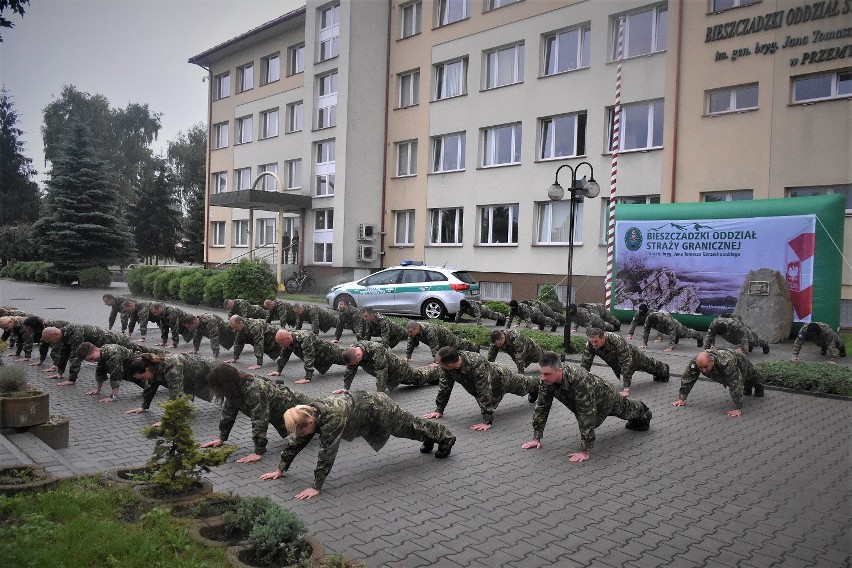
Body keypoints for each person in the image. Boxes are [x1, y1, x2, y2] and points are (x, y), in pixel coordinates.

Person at [260, 391, 456, 499]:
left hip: (379, 408)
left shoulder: (331, 417)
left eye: (301, 430)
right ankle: (430, 438)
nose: (300, 436)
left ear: (310, 422)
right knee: (408, 430)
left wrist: (316, 486)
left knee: (408, 427)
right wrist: (281, 468)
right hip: (366, 413)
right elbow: (297, 441)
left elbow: (327, 452)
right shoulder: (310, 413)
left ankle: (445, 436)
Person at [522, 351, 653, 462]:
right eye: (542, 373)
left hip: (606, 397)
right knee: (591, 420)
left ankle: (644, 412)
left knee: (625, 410)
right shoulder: (546, 381)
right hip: (586, 400)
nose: (543, 378)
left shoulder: (580, 380)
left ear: (559, 371)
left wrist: (585, 451)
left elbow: (586, 415)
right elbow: (542, 407)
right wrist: (536, 437)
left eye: (547, 374)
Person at [200, 363, 313, 463]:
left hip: (296, 405)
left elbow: (259, 419)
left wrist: (258, 452)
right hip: (280, 409)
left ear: (225, 383)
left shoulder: (253, 390)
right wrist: (221, 438)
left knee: (316, 423)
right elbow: (228, 412)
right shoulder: (234, 388)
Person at [424, 346, 538, 431]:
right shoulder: (446, 367)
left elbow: (484, 391)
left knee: (524, 386)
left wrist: (487, 421)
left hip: (501, 378)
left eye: (438, 362)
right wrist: (439, 410)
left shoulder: (476, 363)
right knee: (488, 403)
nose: (436, 364)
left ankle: (538, 384)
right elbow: (445, 387)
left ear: (449, 365)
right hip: (487, 382)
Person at [673, 349, 765, 417]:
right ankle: (748, 388)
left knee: (751, 377)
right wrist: (682, 398)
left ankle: (759, 387)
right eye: (701, 368)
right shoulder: (696, 362)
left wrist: (738, 408)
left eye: (706, 367)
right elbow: (688, 378)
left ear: (712, 361)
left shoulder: (727, 363)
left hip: (741, 361)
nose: (703, 371)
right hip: (726, 364)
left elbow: (735, 384)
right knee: (745, 386)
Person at [581, 328, 669, 397]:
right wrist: (581, 384)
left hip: (633, 356)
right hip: (616, 361)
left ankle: (664, 369)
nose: (594, 344)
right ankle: (660, 374)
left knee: (649, 365)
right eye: (592, 341)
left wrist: (626, 389)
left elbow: (626, 363)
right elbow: (585, 364)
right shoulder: (590, 344)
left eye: (596, 341)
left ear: (603, 338)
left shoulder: (616, 339)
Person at [39, 324, 138, 386]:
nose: (52, 344)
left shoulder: (75, 334)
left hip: (116, 340)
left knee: (137, 354)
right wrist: (60, 372)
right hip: (105, 343)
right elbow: (64, 353)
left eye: (51, 341)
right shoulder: (65, 334)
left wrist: (71, 380)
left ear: (55, 334)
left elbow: (75, 358)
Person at [126, 352, 217, 414]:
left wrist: (169, 417)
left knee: (228, 391)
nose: (143, 380)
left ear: (146, 369)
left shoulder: (170, 367)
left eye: (142, 377)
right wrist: (144, 407)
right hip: (197, 376)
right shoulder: (153, 367)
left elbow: (175, 392)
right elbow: (151, 387)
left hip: (211, 370)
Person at [340, 341, 441, 392]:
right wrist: (346, 388)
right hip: (391, 375)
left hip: (399, 370)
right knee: (418, 375)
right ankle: (433, 370)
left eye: (357, 362)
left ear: (358, 354)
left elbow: (381, 371)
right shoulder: (352, 351)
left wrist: (380, 394)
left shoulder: (375, 349)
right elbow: (351, 368)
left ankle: (440, 370)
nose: (357, 364)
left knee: (418, 378)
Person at [77, 341, 151, 402]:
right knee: (148, 387)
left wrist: (113, 397)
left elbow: (115, 375)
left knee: (153, 379)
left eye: (92, 358)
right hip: (128, 369)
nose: (93, 361)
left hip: (137, 365)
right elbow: (100, 373)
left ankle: (151, 387)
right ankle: (150, 388)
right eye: (89, 360)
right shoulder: (102, 355)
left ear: (95, 349)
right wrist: (97, 390)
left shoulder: (112, 353)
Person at [267, 328, 346, 384]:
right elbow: (284, 355)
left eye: (281, 343)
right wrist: (278, 371)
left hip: (330, 353)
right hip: (321, 357)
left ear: (288, 338)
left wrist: (308, 377)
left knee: (350, 359)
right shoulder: (289, 341)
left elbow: (309, 356)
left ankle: (357, 351)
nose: (281, 345)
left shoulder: (304, 338)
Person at [405, 320, 480, 360]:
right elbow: (410, 343)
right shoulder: (412, 332)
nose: (409, 334)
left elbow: (434, 346)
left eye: (411, 332)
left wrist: (436, 361)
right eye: (409, 332)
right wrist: (407, 357)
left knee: (460, 345)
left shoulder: (429, 330)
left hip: (447, 337)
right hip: (439, 340)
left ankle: (475, 347)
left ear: (417, 328)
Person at [704, 315, 770, 354]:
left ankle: (764, 344)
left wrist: (743, 354)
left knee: (752, 340)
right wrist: (708, 351)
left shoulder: (737, 325)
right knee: (735, 341)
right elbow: (709, 337)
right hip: (732, 332)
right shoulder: (713, 325)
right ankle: (749, 346)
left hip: (739, 327)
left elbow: (744, 339)